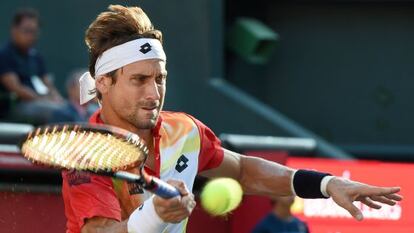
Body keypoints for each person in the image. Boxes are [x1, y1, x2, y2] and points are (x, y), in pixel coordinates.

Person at [61, 5, 402, 233]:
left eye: (160, 78)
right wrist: (154, 216)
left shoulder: (185, 130)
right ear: (104, 82)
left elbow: (243, 171)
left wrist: (327, 184)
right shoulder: (88, 151)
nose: (154, 93)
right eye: (139, 80)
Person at [0, 8, 64, 124]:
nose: (31, 36)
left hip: (37, 102)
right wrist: (44, 100)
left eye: (34, 32)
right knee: (58, 113)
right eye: (27, 31)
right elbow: (17, 89)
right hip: (13, 107)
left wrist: (57, 98)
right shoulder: (4, 55)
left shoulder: (35, 56)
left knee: (68, 109)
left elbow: (48, 84)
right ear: (14, 30)